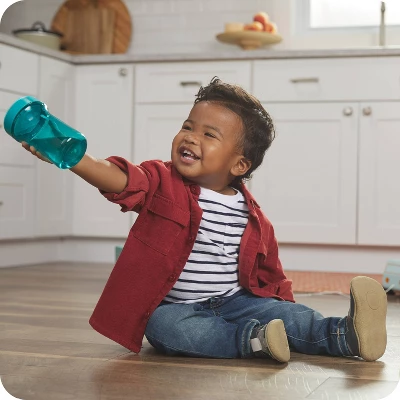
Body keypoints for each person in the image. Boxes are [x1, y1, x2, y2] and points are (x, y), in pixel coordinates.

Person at [22, 77, 387, 363]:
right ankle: (253, 341)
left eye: (209, 134)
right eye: (188, 126)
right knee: (162, 327)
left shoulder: (254, 217)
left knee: (289, 315)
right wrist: (74, 158)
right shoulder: (161, 182)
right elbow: (120, 179)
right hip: (178, 308)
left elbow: (270, 273)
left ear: (239, 164)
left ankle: (346, 336)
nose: (191, 137)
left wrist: (283, 305)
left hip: (237, 301)